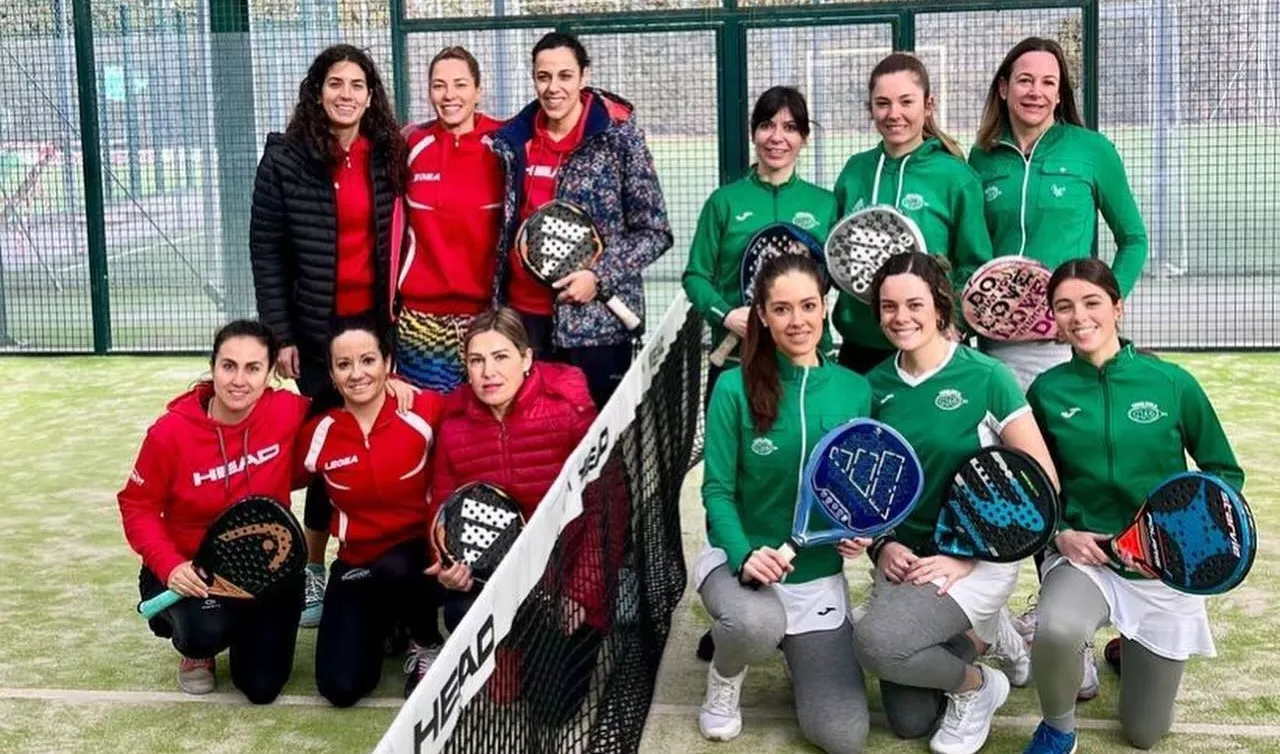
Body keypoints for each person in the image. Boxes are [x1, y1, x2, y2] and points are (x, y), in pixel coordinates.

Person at [1020, 258, 1242, 754]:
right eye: (1064, 307)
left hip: (1161, 566)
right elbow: (1035, 486)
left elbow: (1223, 473)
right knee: (1056, 629)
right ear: (1054, 318)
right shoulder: (1047, 392)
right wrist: (1061, 533)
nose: (1079, 317)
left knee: (1144, 734)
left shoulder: (1172, 383)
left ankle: (1127, 647)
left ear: (1117, 308)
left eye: (1092, 302)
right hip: (1088, 556)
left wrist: (1171, 541)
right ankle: (1057, 728)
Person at [852, 252, 1056, 754]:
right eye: (889, 306)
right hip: (908, 563)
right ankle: (993, 635)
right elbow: (868, 490)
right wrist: (882, 545)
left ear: (940, 306)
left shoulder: (987, 377)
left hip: (978, 560)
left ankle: (979, 687)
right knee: (910, 720)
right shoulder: (873, 387)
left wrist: (967, 555)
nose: (901, 317)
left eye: (914, 304)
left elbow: (1042, 481)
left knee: (878, 644)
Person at [250, 44, 407, 627]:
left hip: (378, 331)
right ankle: (314, 569)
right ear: (317, 92)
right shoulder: (286, 159)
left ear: (371, 95)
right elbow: (266, 251)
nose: (346, 94)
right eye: (335, 83)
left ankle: (379, 565)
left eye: (357, 84)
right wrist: (281, 334)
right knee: (329, 448)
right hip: (317, 337)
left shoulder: (388, 153)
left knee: (381, 446)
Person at [696, 254, 870, 753]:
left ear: (825, 307)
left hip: (816, 579)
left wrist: (860, 532)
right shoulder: (733, 388)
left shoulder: (855, 391)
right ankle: (726, 675)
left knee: (843, 737)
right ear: (762, 315)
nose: (798, 321)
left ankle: (802, 653)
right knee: (754, 625)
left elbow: (857, 490)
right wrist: (744, 554)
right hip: (738, 563)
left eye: (808, 306)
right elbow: (716, 492)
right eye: (782, 309)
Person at [118, 321, 310, 702]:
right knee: (203, 631)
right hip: (194, 569)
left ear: (270, 373)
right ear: (212, 366)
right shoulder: (170, 433)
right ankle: (196, 647)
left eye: (253, 368)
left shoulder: (288, 411)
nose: (239, 380)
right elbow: (137, 505)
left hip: (264, 570)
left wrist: (394, 387)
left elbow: (349, 403)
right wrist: (171, 566)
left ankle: (247, 626)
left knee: (261, 687)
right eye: (229, 366)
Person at [428, 307, 602, 718]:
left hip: (564, 578)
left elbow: (603, 511)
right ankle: (506, 648)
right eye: (476, 360)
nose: (488, 372)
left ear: (526, 359)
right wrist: (447, 562)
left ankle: (538, 642)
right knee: (457, 610)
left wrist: (581, 593)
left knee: (551, 711)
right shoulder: (453, 425)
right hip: (498, 580)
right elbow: (442, 510)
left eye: (501, 357)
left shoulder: (570, 412)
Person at [491, 31, 673, 408]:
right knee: (534, 434)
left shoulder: (619, 139)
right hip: (523, 321)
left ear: (584, 76)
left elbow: (654, 232)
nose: (553, 88)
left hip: (595, 328)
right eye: (543, 77)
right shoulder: (513, 141)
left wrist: (597, 277)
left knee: (596, 437)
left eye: (565, 76)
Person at [968, 37, 1148, 393]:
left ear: (1059, 94)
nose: (1036, 92)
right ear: (1004, 88)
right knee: (1011, 431)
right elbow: (973, 247)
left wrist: (1102, 307)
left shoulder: (1092, 150)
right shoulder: (981, 157)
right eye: (1025, 80)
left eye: (1048, 82)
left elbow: (1134, 239)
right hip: (997, 343)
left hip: (1067, 340)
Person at [297, 318, 447, 706]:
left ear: (387, 362)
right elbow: (275, 473)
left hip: (419, 559)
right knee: (340, 687)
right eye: (344, 364)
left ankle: (426, 640)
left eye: (368, 360)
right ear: (332, 375)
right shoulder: (319, 432)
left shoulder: (424, 409)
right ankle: (388, 622)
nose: (357, 373)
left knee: (397, 568)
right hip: (357, 561)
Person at [831, 53, 992, 375]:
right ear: (870, 108)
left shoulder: (955, 177)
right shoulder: (854, 171)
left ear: (928, 105)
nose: (894, 114)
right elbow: (836, 252)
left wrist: (953, 322)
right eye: (882, 103)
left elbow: (974, 266)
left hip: (930, 345)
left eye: (906, 102)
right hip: (861, 347)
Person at [683, 85, 839, 395]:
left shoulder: (826, 204)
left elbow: (834, 278)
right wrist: (727, 316)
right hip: (737, 359)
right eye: (767, 125)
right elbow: (695, 277)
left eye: (790, 128)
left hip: (808, 359)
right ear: (753, 133)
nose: (777, 137)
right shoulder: (724, 202)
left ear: (804, 138)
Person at [397, 46, 504, 394]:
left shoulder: (505, 143)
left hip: (489, 317)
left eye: (460, 84)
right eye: (439, 85)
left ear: (478, 90)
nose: (449, 95)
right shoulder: (411, 144)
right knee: (429, 418)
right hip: (421, 321)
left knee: (485, 419)